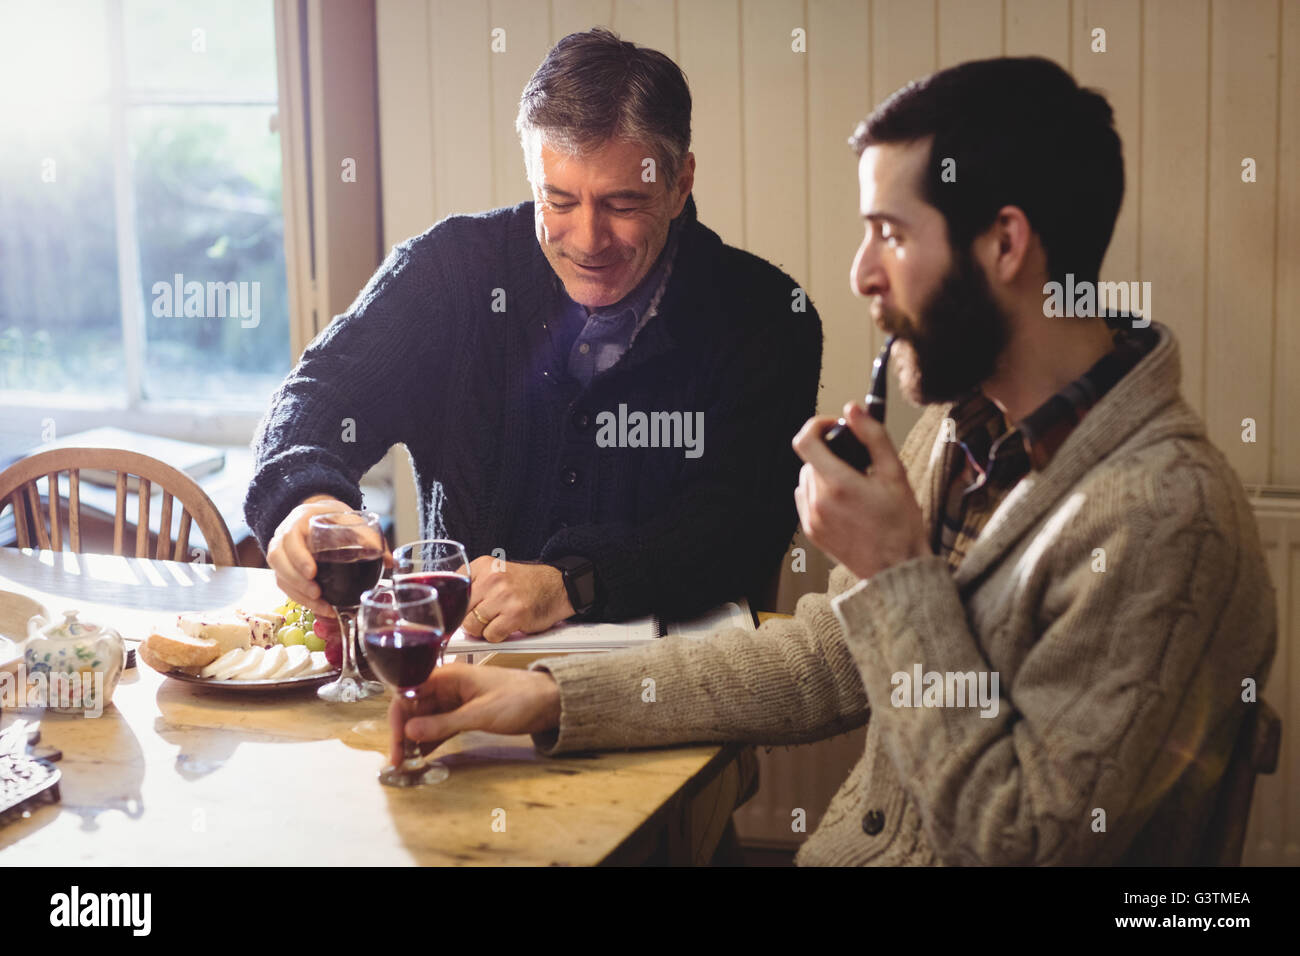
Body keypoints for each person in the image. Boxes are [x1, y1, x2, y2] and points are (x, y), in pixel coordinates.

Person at [388, 56, 1278, 866]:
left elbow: (1024, 839)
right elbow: (826, 658)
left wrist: (896, 570)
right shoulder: (970, 428)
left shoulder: (1169, 518)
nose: (860, 274)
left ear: (1005, 246)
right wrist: (552, 699)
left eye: (889, 233)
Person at [244, 29, 822, 641]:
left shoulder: (766, 316)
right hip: (463, 675)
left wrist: (572, 582)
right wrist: (307, 503)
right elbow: (319, 395)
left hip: (675, 687)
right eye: (560, 200)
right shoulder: (450, 272)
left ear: (680, 183)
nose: (588, 239)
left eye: (622, 204)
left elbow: (740, 526)